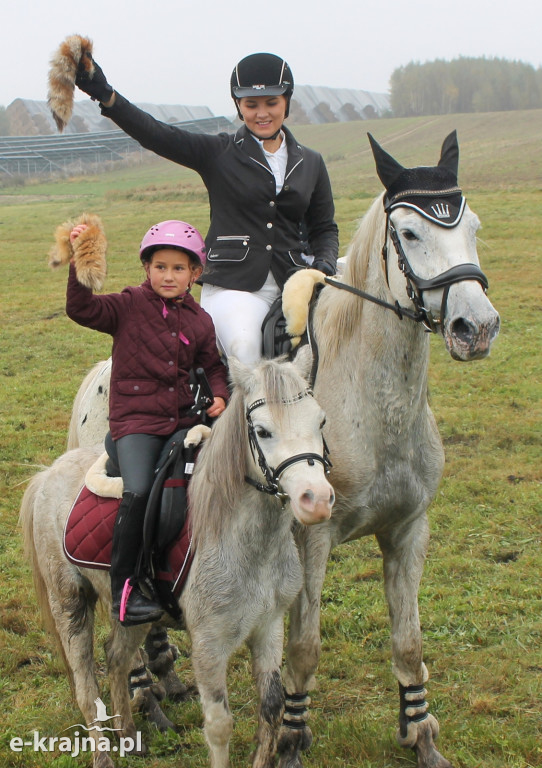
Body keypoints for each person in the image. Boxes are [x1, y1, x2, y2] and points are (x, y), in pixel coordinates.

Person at [75, 51, 339, 364]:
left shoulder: (311, 161)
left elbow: (324, 227)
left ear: (287, 102)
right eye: (251, 105)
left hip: (295, 282)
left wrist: (322, 267)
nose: (262, 113)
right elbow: (157, 134)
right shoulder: (218, 152)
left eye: (272, 103)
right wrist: (107, 97)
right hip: (235, 287)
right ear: (239, 106)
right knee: (247, 350)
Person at [66, 220, 229, 626]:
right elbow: (81, 309)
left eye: (178, 268)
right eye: (160, 267)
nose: (168, 276)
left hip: (183, 421)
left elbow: (212, 366)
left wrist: (220, 395)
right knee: (137, 491)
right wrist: (79, 263)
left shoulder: (201, 321)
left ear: (195, 274)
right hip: (135, 423)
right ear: (146, 269)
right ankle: (125, 589)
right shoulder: (127, 305)